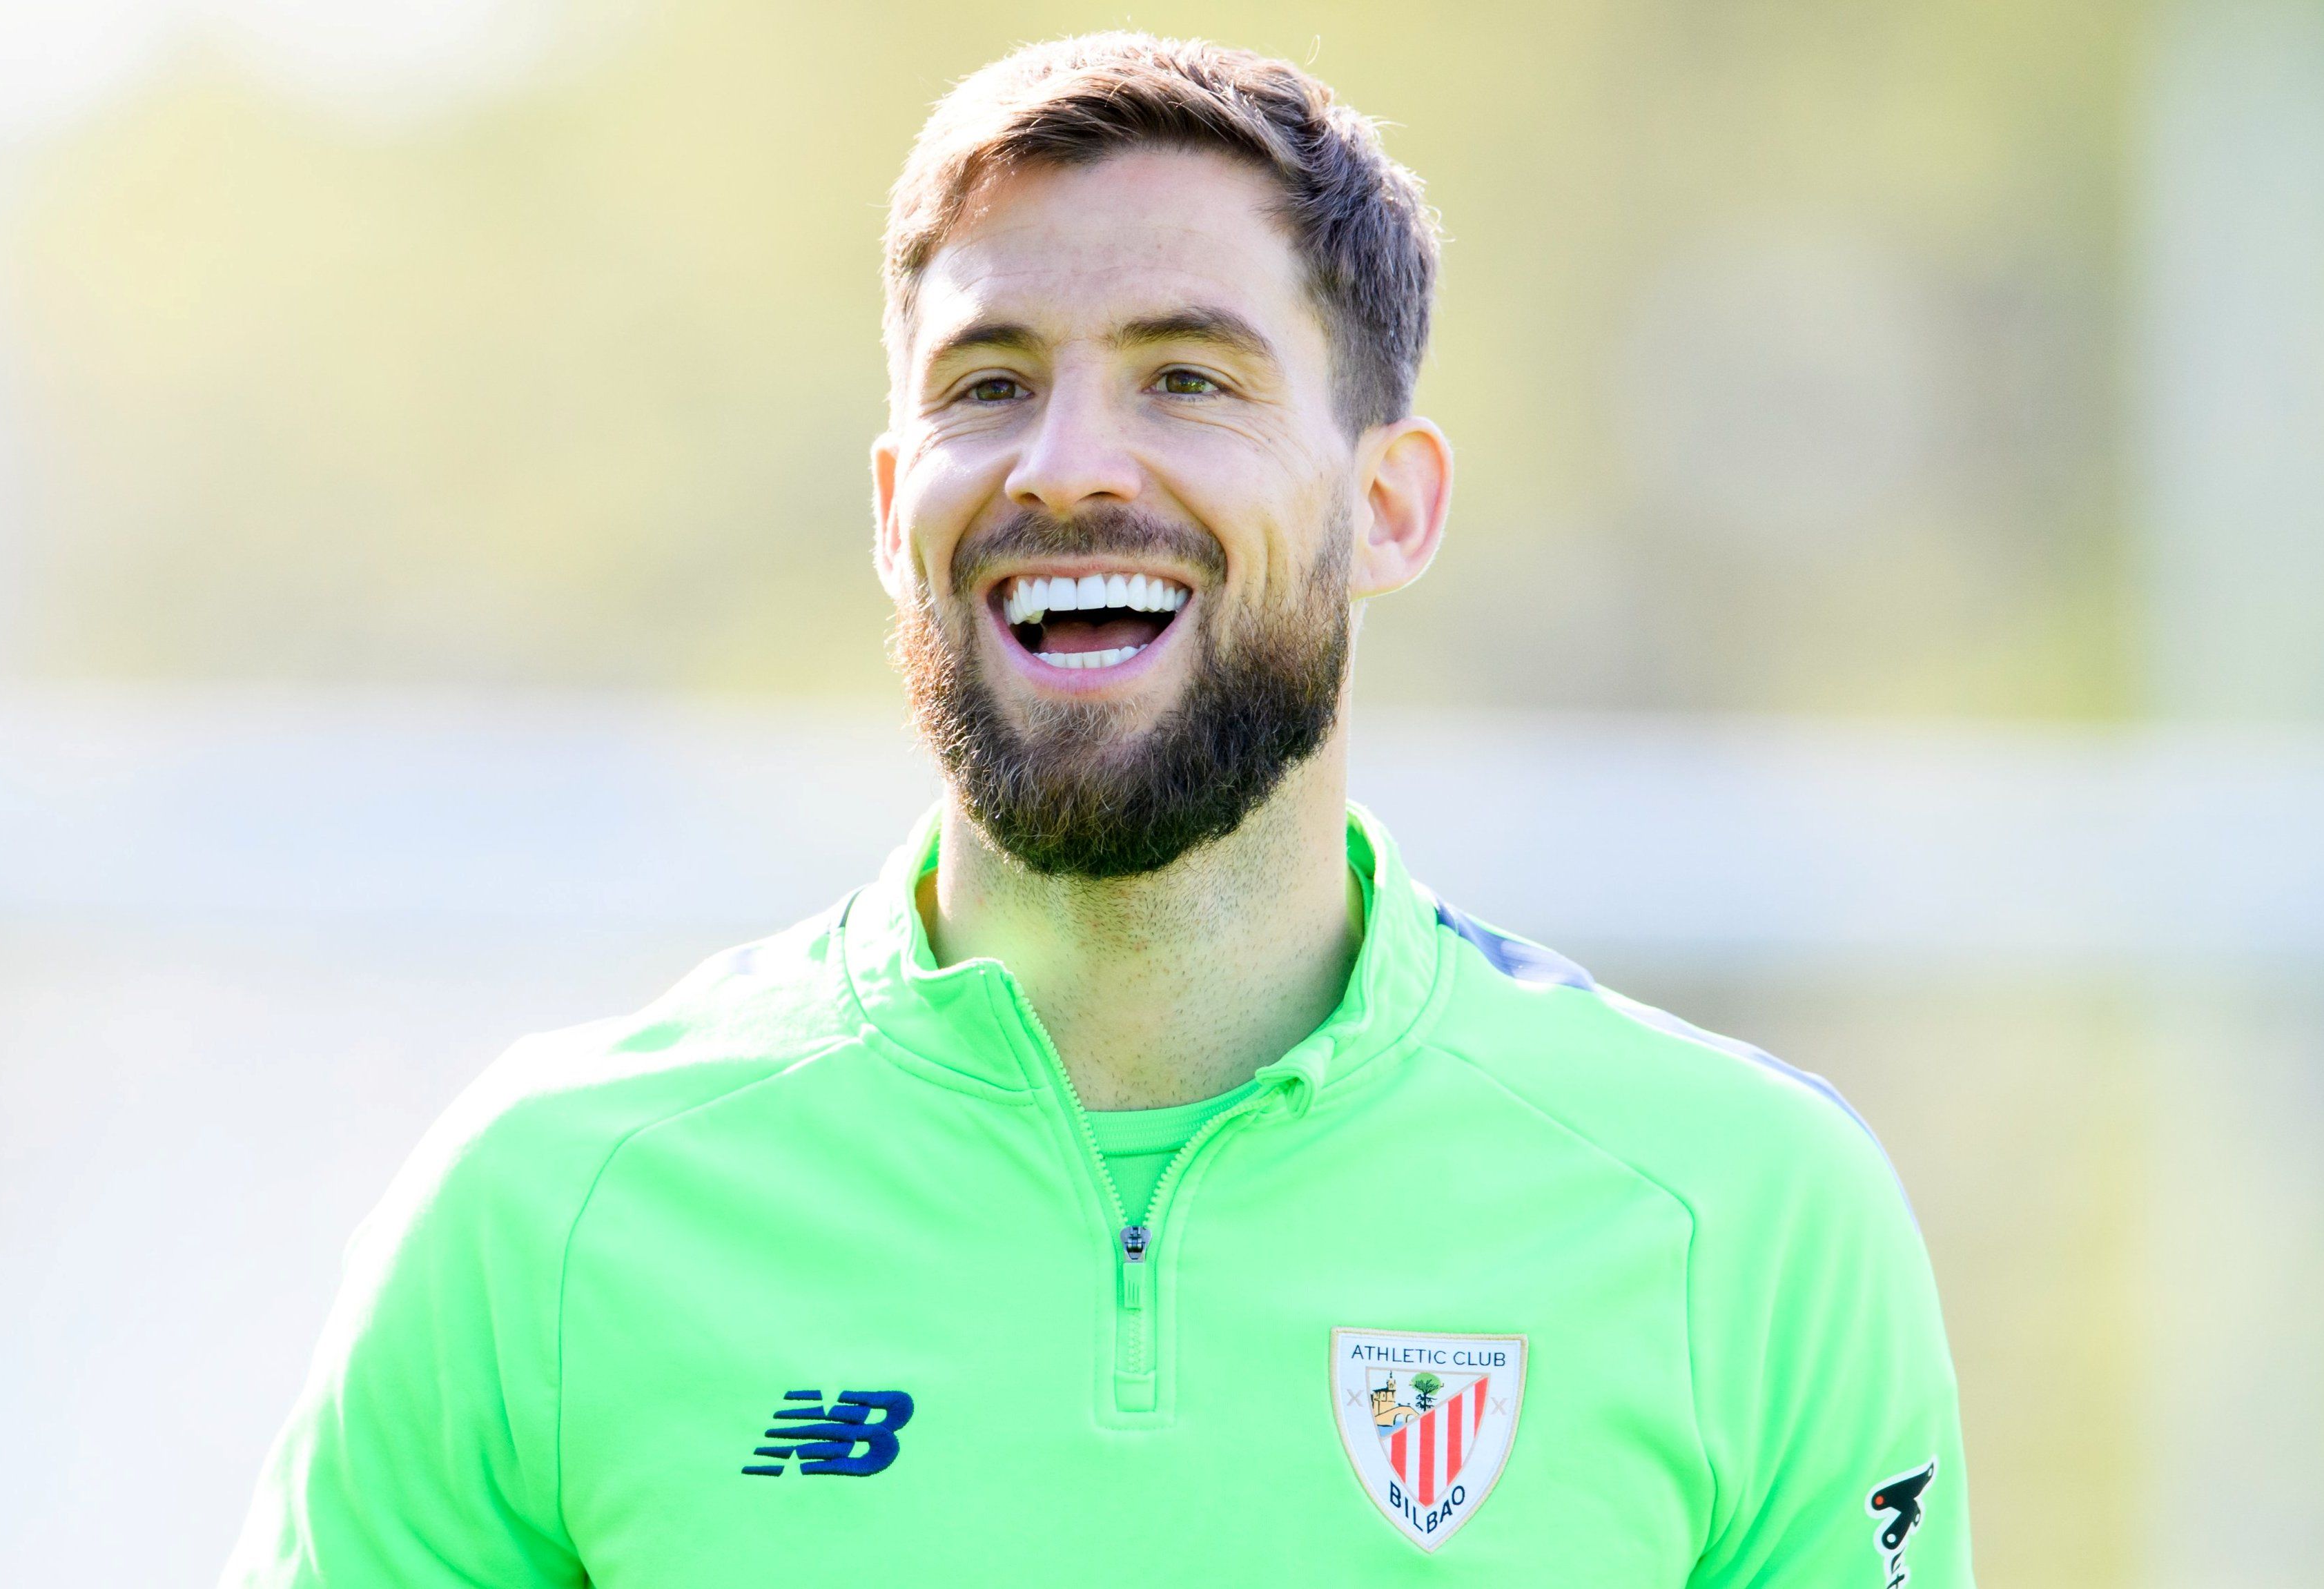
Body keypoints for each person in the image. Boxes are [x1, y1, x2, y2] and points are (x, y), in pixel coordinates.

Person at [225, 33, 1971, 1586]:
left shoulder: (1736, 1208)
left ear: (1389, 506)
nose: (1066, 460)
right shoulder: (553, 1203)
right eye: (989, 382)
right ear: (897, 500)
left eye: (1187, 377)